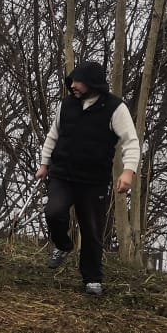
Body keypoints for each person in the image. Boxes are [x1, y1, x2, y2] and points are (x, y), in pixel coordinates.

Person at [35, 59, 139, 296]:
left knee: (91, 230)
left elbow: (131, 141)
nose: (73, 85)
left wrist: (128, 171)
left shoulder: (115, 108)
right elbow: (53, 135)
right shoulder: (66, 105)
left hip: (94, 180)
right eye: (72, 81)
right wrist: (44, 164)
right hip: (62, 174)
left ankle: (92, 278)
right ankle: (63, 245)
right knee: (53, 213)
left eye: (78, 81)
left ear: (93, 83)